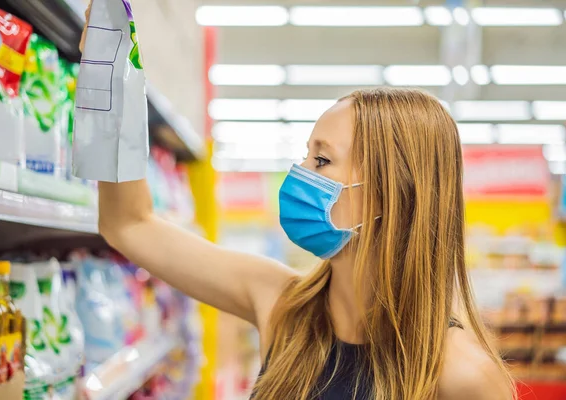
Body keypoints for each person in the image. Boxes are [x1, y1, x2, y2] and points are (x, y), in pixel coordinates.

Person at [80, 10, 513, 400]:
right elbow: (128, 223)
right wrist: (114, 85)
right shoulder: (282, 307)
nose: (298, 174)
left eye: (321, 160)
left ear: (391, 193)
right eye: (306, 155)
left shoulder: (463, 376)